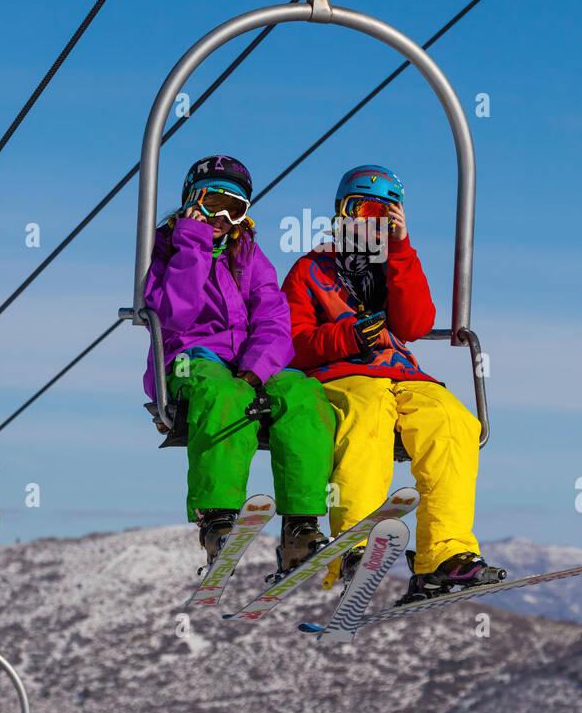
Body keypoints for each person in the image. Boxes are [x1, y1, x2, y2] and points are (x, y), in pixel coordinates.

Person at [282, 164, 500, 603]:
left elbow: (416, 323)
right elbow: (291, 343)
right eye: (361, 209)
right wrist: (345, 336)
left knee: (453, 420)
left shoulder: (393, 265)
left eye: (383, 214)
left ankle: (444, 556)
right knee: (367, 414)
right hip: (340, 373)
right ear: (341, 213)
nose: (370, 223)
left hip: (401, 373)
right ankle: (356, 544)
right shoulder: (310, 270)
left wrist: (400, 251)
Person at [143, 154, 336, 572]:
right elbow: (173, 313)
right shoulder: (162, 247)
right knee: (223, 394)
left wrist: (255, 368)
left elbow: (273, 318)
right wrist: (191, 241)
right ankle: (218, 519)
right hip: (186, 358)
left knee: (304, 394)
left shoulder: (247, 254)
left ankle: (301, 525)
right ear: (192, 200)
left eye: (236, 209)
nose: (223, 217)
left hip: (246, 363)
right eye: (214, 203)